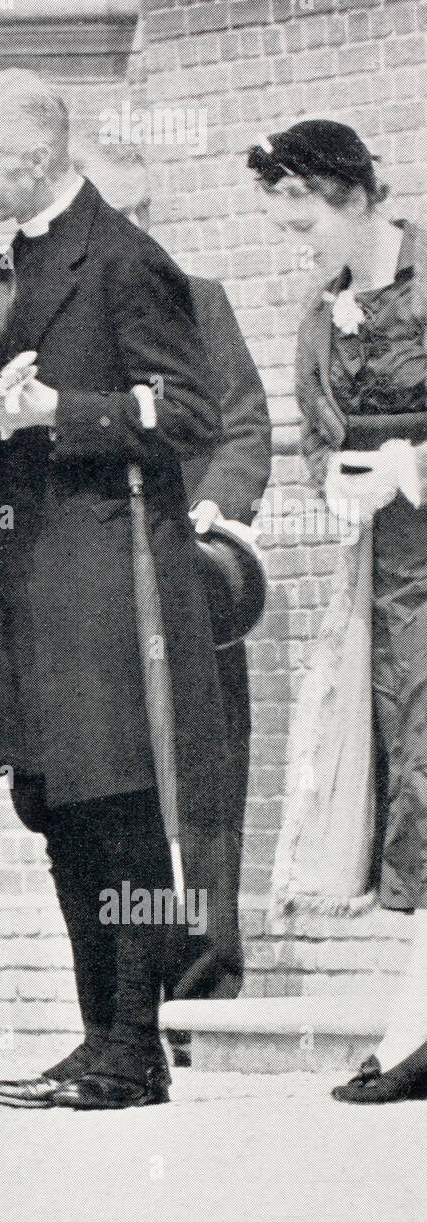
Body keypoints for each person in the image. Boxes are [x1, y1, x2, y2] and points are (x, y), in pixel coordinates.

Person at [0, 70, 228, 1110]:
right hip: (31, 580)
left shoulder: (127, 259)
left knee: (121, 810)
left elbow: (192, 414)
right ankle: (97, 1030)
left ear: (41, 159)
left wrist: (63, 409)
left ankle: (136, 1044)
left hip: (108, 582)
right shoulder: (20, 258)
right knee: (56, 803)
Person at [251, 120, 427, 1104]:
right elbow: (319, 437)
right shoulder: (322, 314)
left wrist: (418, 463)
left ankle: (413, 1029)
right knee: (409, 774)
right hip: (389, 579)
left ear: (356, 194)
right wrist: (341, 481)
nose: (301, 242)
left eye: (306, 218)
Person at [78, 141, 273, 1012]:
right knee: (113, 796)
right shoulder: (47, 317)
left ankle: (199, 981)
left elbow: (241, 426)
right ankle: (128, 991)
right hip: (92, 600)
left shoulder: (197, 302)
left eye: (140, 217)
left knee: (200, 787)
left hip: (186, 587)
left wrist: (214, 510)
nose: (132, 237)